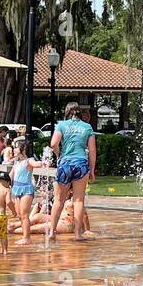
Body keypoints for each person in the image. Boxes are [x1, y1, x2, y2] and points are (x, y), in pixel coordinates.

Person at [47, 102, 97, 242]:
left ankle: (52, 231)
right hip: (81, 164)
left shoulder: (61, 125)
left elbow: (53, 144)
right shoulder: (87, 127)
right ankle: (77, 234)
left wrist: (59, 154)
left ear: (67, 112)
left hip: (65, 163)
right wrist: (92, 169)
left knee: (58, 200)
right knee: (79, 200)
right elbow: (92, 150)